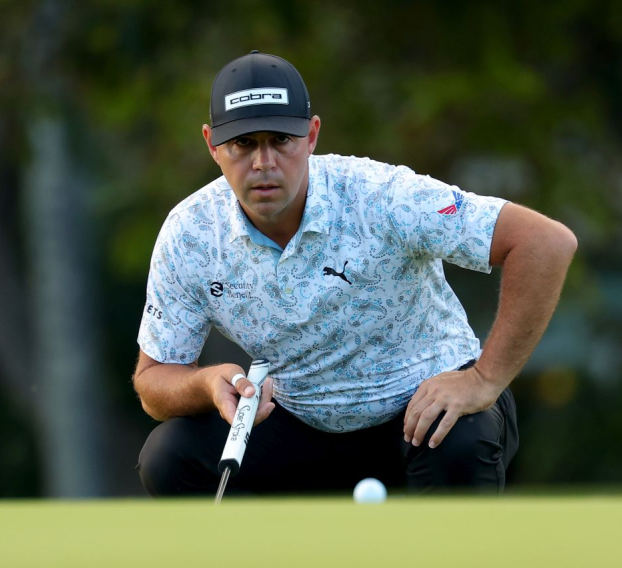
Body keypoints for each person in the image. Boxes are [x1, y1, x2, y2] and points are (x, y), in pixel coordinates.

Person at [133, 51, 577, 496]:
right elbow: (154, 380)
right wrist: (207, 383)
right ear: (212, 145)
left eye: (281, 140)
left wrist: (483, 380)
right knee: (171, 456)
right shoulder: (189, 232)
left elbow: (545, 242)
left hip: (422, 410)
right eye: (243, 143)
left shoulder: (383, 195)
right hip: (297, 422)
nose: (263, 162)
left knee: (459, 438)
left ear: (311, 136)